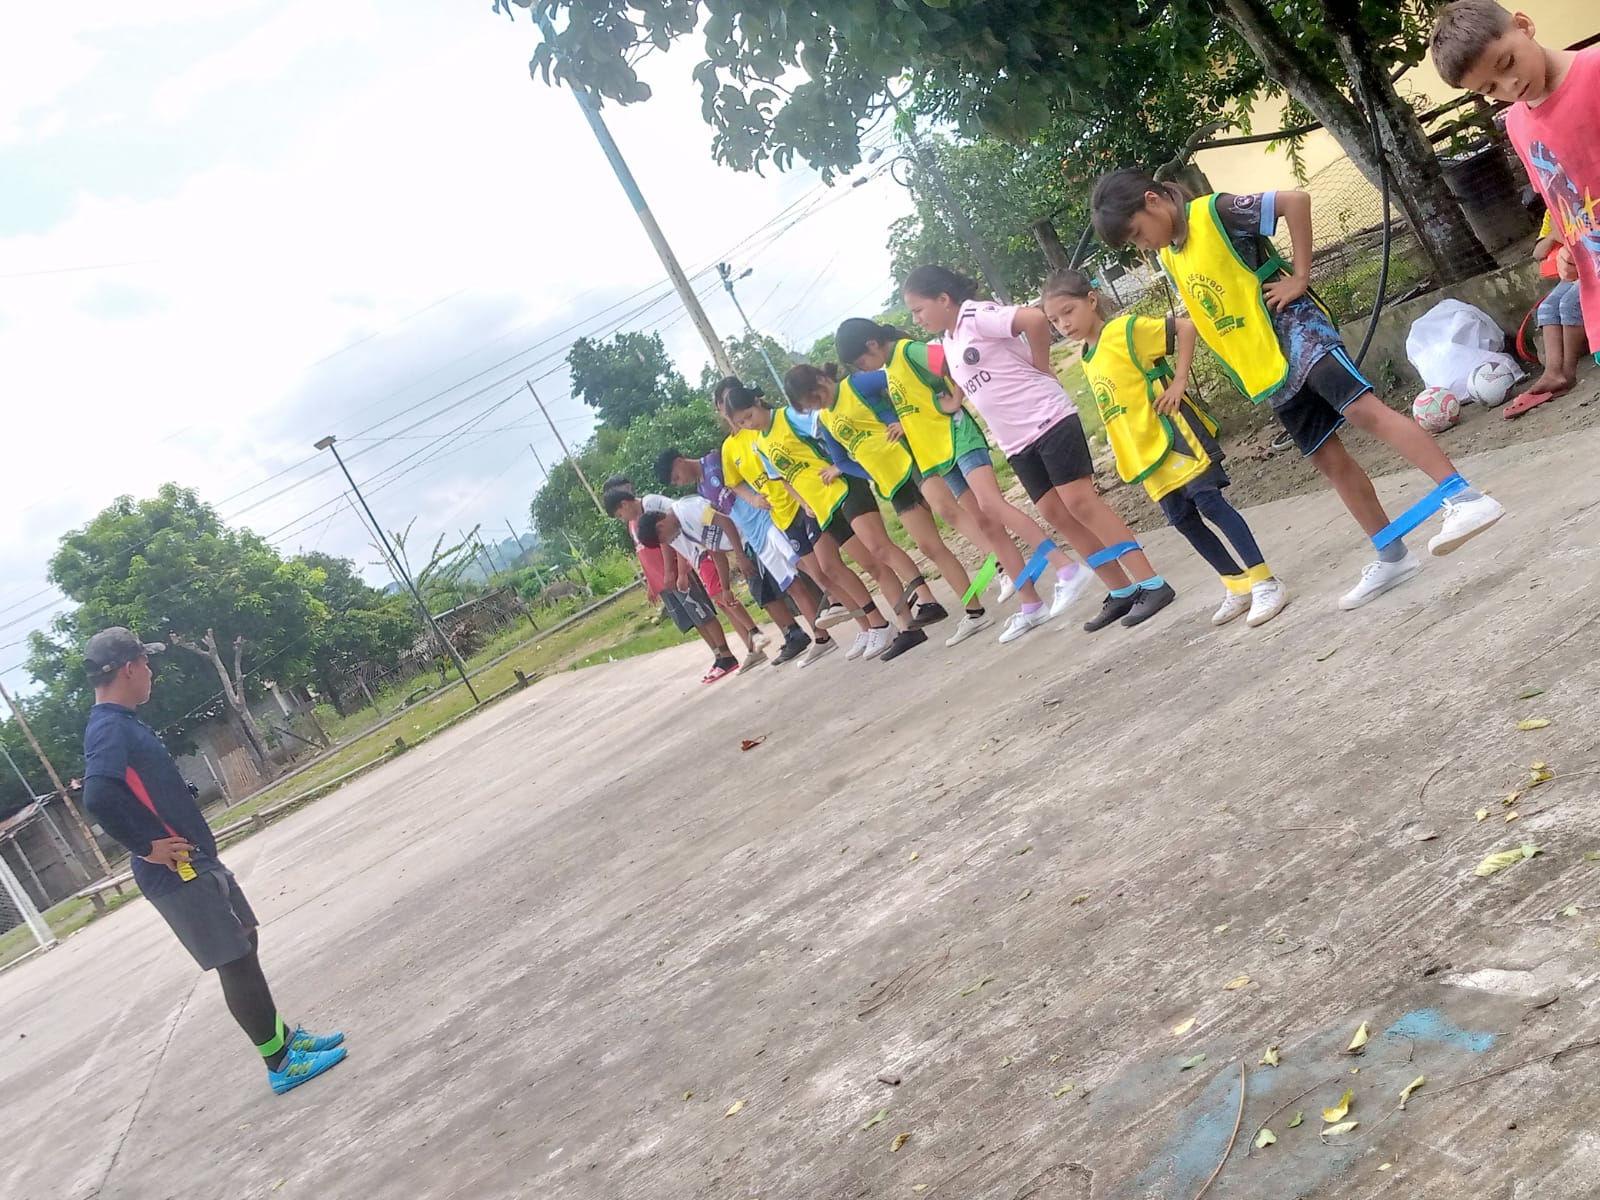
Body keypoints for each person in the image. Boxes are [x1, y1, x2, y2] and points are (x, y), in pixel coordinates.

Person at [1090, 171, 1506, 610]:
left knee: (1363, 411)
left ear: (1153, 201)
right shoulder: (1172, 256)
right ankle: (1392, 554)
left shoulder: (1217, 212)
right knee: (1327, 458)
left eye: (1138, 233)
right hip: (1268, 366)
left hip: (1300, 333)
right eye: (1133, 244)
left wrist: (1300, 277)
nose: (1143, 246)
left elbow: (1294, 201)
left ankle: (1463, 496)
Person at [78, 628, 346, 1095]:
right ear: (129, 668)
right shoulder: (108, 728)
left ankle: (284, 1040)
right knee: (234, 958)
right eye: (146, 663)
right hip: (177, 871)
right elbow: (97, 795)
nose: (151, 673)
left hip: (197, 860)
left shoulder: (121, 721)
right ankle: (280, 1063)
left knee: (245, 939)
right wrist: (147, 847)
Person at [902, 265, 1178, 633]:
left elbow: (1033, 319)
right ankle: (1121, 589)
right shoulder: (948, 340)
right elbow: (968, 376)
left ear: (943, 299)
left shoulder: (975, 316)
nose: (916, 319)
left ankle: (1151, 582)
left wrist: (1041, 364)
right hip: (1016, 441)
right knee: (1055, 512)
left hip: (1048, 418)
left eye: (919, 309)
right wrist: (956, 400)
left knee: (1080, 503)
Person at [1041, 269, 1290, 627]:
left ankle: (1265, 580)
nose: (1064, 324)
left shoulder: (1125, 330)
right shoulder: (1086, 355)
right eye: (1054, 320)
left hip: (1176, 436)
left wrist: (1179, 382)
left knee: (1211, 504)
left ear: (1091, 301)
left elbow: (1185, 328)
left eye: (1068, 311)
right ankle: (1236, 584)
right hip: (1146, 453)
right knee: (1183, 520)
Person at [833, 317, 1096, 630]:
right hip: (939, 455)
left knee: (992, 506)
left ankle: (1065, 567)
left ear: (872, 344)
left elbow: (951, 362)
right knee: (987, 525)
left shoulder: (908, 351)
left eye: (860, 362)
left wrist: (956, 398)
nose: (862, 369)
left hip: (960, 438)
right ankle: (1031, 603)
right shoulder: (889, 367)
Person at [1431, 1, 1597, 387]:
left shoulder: (1595, 71)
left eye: (1507, 63)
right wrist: (1571, 251)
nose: (1509, 86)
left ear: (1524, 25)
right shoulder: (1518, 125)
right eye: (1490, 89)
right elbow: (1561, 203)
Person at [783, 362, 1002, 647]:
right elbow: (842, 461)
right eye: (809, 405)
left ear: (821, 379)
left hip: (913, 461)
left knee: (949, 512)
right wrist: (871, 473)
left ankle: (1003, 565)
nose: (817, 405)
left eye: (816, 398)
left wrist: (903, 420)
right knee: (929, 546)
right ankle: (975, 612)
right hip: (892, 485)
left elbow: (901, 380)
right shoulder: (825, 419)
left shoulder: (858, 384)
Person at [717, 378, 918, 660]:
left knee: (869, 558)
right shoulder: (757, 443)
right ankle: (880, 625)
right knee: (832, 569)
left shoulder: (788, 417)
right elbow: (782, 477)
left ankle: (906, 617)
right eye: (740, 421)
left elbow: (825, 426)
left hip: (838, 492)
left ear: (756, 401)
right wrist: (800, 502)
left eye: (748, 416)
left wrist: (839, 464)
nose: (747, 424)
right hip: (816, 506)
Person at [655, 446, 831, 667]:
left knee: (804, 569)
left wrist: (741, 552)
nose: (680, 483)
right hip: (752, 536)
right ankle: (814, 635)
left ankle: (839, 604)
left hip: (765, 520)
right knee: (784, 587)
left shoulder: (716, 461)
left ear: (679, 462)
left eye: (676, 477)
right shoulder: (702, 490)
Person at [603, 482, 741, 682]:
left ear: (624, 503)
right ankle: (718, 656)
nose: (621, 518)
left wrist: (675, 571)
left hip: (677, 571)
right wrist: (652, 582)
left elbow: (670, 538)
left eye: (619, 514)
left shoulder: (650, 506)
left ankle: (727, 654)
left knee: (703, 613)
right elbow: (643, 553)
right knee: (694, 618)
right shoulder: (633, 522)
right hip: (663, 580)